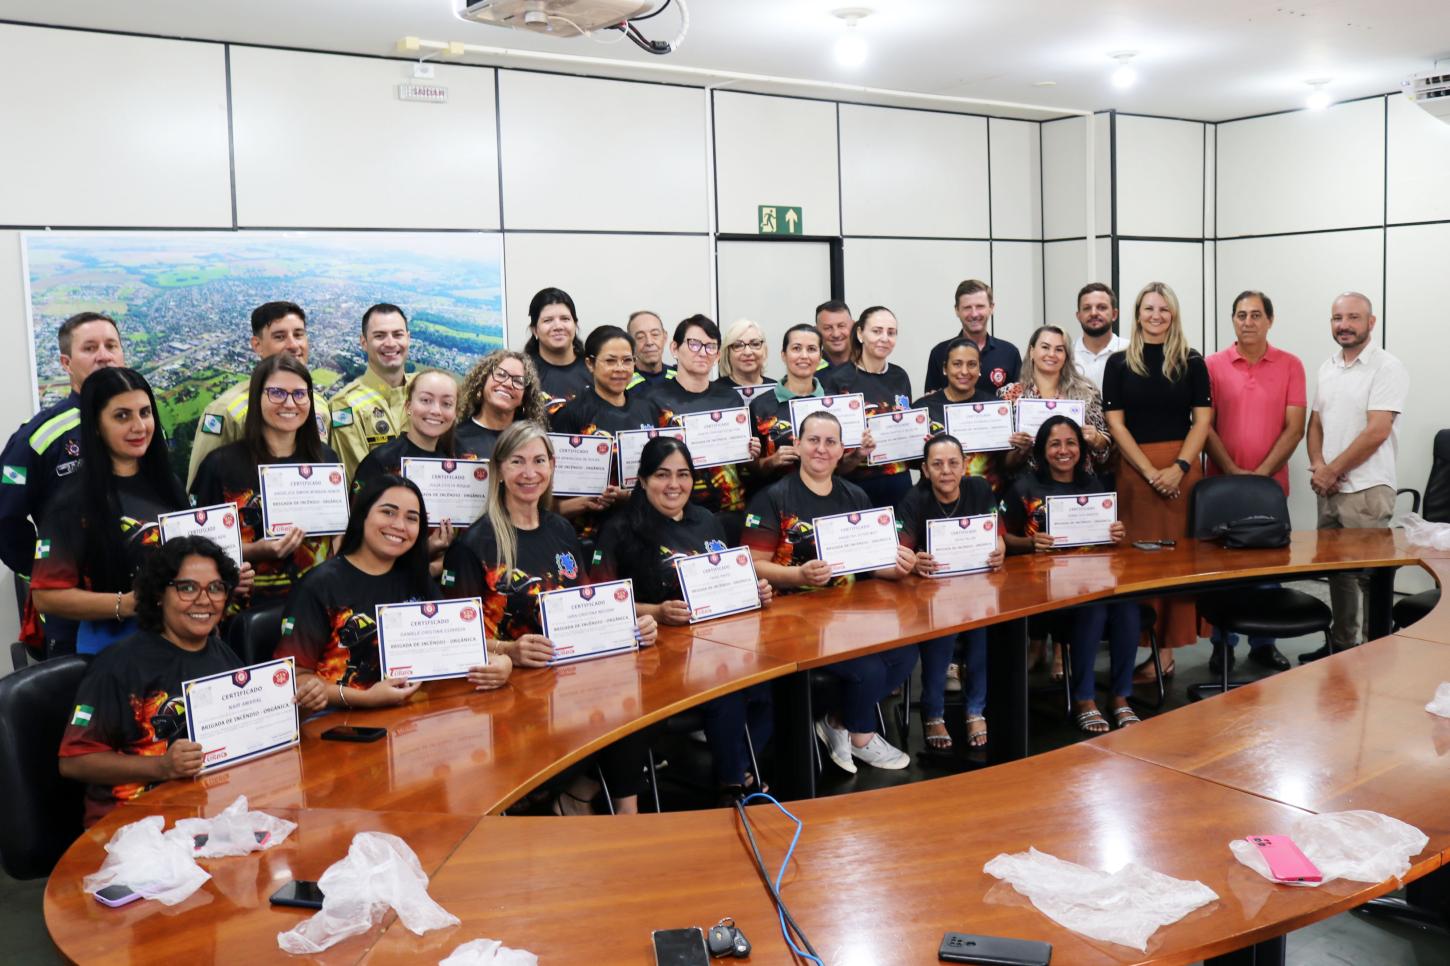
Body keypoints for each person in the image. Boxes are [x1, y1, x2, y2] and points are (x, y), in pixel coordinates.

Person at [442, 422, 658, 814]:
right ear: (499, 470)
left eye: (539, 461)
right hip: (512, 690)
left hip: (566, 676)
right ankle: (577, 797)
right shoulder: (474, 544)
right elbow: (456, 641)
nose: (529, 473)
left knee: (633, 698)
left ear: (552, 466)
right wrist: (511, 650)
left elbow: (587, 606)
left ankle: (618, 813)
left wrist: (632, 625)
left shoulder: (561, 530)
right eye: (517, 462)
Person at [58, 536, 327, 827]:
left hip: (210, 811)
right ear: (159, 594)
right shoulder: (118, 665)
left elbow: (247, 735)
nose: (204, 599)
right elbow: (73, 762)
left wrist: (301, 709)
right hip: (134, 825)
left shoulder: (221, 652)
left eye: (216, 588)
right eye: (187, 588)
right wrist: (162, 766)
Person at [592, 436, 775, 796]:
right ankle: (732, 782)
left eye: (683, 474)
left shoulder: (706, 520)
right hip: (652, 654)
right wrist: (657, 613)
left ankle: (738, 764)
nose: (673, 484)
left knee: (766, 685)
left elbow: (726, 580)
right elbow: (600, 604)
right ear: (643, 480)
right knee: (726, 690)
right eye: (662, 475)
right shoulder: (619, 529)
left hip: (712, 643)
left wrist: (754, 591)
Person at [743, 411, 917, 772]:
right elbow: (753, 565)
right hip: (792, 619)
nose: (821, 449)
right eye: (813, 440)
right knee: (869, 669)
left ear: (841, 450)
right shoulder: (772, 498)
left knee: (905, 653)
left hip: (849, 614)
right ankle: (861, 734)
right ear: (797, 445)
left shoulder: (855, 495)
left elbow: (873, 563)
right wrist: (797, 574)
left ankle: (838, 721)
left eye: (830, 442)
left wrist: (900, 566)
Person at [278, 474, 511, 707]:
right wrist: (365, 699)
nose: (399, 526)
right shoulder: (319, 585)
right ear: (363, 515)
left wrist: (500, 662)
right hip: (342, 719)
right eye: (388, 512)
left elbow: (454, 646)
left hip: (414, 712)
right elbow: (295, 678)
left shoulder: (417, 577)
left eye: (411, 518)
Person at [31, 368, 200, 655]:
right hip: (115, 651)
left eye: (145, 413)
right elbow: (46, 597)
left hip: (182, 638)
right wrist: (126, 603)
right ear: (96, 425)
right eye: (122, 416)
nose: (139, 426)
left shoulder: (167, 483)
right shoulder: (71, 502)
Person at [1102, 282, 1212, 677]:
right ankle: (1138, 648)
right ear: (1137, 314)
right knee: (1139, 564)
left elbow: (1202, 421)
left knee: (1176, 562)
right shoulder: (1118, 363)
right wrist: (1148, 471)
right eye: (1149, 308)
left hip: (1181, 470)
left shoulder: (1192, 361)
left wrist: (1179, 466)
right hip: (1135, 472)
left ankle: (1165, 654)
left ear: (1174, 314)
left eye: (1164, 309)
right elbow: (1115, 424)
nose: (1156, 315)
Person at [1001, 416, 1139, 733]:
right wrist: (1030, 543)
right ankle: (1084, 699)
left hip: (1093, 577)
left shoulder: (1093, 485)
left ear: (1081, 449)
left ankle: (1120, 697)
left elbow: (1104, 537)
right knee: (1093, 610)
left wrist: (1115, 533)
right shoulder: (1025, 487)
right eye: (1055, 444)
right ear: (1041, 450)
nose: (1064, 451)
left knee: (1128, 608)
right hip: (1044, 589)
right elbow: (1001, 535)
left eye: (1071, 443)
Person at [1, 311, 124, 657]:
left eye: (111, 345)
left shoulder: (142, 424)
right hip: (75, 612)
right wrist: (48, 571)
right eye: (90, 348)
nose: (104, 355)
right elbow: (4, 518)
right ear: (66, 363)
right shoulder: (40, 436)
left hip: (143, 602)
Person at [1203, 291, 1308, 673]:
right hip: (1220, 489)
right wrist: (1232, 472)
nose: (1248, 322)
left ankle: (1264, 643)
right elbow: (1204, 425)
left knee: (1267, 570)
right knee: (1222, 573)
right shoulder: (1212, 365)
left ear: (1270, 320)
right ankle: (1222, 644)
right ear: (1233, 320)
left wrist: (1260, 478)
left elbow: (1295, 428)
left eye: (1256, 315)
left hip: (1270, 491)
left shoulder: (1291, 365)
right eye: (1241, 315)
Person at [1304, 291, 1408, 662]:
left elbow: (1377, 430)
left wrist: (1332, 470)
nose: (1344, 325)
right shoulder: (1328, 366)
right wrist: (1318, 465)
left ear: (1371, 322)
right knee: (1337, 572)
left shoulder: (1387, 367)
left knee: (1368, 576)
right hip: (1329, 488)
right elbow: (1315, 423)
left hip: (1367, 489)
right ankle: (1343, 645)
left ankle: (1373, 653)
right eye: (1338, 318)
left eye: (1353, 318)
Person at [190, 354, 338, 607]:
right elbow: (197, 546)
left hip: (316, 607)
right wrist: (254, 551)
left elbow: (337, 536)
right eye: (277, 393)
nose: (290, 403)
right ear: (256, 398)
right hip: (241, 608)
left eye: (300, 394)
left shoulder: (326, 459)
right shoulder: (221, 465)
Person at [894, 434, 1003, 751]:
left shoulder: (979, 488)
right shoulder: (914, 498)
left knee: (983, 629)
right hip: (931, 589)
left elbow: (998, 536)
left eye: (953, 463)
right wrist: (915, 562)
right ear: (925, 470)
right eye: (937, 464)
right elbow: (901, 552)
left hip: (976, 584)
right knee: (942, 633)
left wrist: (999, 550)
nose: (946, 471)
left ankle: (975, 709)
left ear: (965, 465)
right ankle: (933, 712)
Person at [640, 315, 761, 541]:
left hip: (731, 510)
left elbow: (748, 467)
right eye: (694, 344)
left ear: (717, 355)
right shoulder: (653, 400)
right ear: (674, 349)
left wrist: (752, 452)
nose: (702, 352)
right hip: (676, 513)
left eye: (710, 346)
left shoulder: (730, 399)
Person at [186, 301, 331, 489]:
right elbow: (203, 484)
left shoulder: (318, 403)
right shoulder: (225, 410)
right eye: (280, 337)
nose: (293, 345)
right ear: (257, 345)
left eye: (298, 334)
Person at [550, 325, 660, 535]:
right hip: (589, 533)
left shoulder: (648, 409)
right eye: (610, 361)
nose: (620, 368)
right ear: (590, 364)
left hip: (642, 528)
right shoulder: (572, 414)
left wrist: (629, 495)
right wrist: (586, 501)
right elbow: (553, 498)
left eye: (627, 360)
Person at [821, 305, 916, 507]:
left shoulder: (900, 376)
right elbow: (831, 448)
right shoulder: (839, 379)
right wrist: (857, 453)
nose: (884, 338)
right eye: (877, 331)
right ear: (860, 334)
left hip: (899, 481)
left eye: (891, 332)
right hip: (856, 484)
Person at [1000, 324, 1113, 477]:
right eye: (1045, 347)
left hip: (1078, 484)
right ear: (1032, 351)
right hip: (1028, 484)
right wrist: (1020, 450)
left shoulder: (1086, 393)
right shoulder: (1010, 395)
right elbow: (1002, 463)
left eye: (1059, 349)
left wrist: (1097, 440)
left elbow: (1105, 456)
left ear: (1066, 356)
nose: (1051, 354)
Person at [912, 338, 1008, 494]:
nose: (964, 371)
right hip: (935, 499)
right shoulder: (923, 409)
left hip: (987, 497)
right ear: (945, 368)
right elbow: (912, 463)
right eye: (957, 364)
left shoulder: (996, 408)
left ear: (979, 368)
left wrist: (1021, 450)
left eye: (972, 364)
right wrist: (927, 451)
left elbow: (1006, 462)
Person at [331, 303, 415, 478]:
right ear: (364, 342)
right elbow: (359, 479)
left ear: (408, 338)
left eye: (398, 334)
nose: (390, 343)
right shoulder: (345, 405)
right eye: (379, 336)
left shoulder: (427, 391)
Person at [750, 324, 827, 493]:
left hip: (826, 496)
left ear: (820, 356)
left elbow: (843, 466)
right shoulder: (760, 406)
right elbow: (750, 470)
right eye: (796, 348)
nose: (804, 356)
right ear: (783, 355)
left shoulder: (833, 402)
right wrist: (772, 461)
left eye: (812, 349)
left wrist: (859, 453)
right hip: (776, 498)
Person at [923, 280, 1021, 394]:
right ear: (957, 310)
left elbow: (1019, 398)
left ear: (991, 308)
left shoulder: (1009, 353)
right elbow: (931, 401)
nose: (974, 314)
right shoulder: (939, 353)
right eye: (967, 307)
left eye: (980, 306)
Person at [455, 349, 549, 460]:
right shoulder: (456, 437)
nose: (508, 384)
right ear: (482, 381)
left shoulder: (533, 440)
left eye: (518, 381)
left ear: (525, 396)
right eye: (501, 375)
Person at [523, 287, 590, 415]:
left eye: (565, 319)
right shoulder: (523, 373)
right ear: (534, 330)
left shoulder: (593, 368)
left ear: (575, 325)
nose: (558, 326)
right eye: (548, 320)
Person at [1072, 283, 1128, 391]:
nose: (1093, 313)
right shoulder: (1065, 355)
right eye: (1087, 308)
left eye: (1102, 307)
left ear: (1114, 314)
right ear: (1078, 316)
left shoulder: (1131, 351)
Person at [715, 318, 777, 402]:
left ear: (764, 350)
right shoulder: (714, 394)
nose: (747, 352)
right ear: (727, 353)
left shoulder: (777, 391)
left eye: (755, 344)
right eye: (738, 345)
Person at [624, 310, 675, 390]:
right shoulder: (622, 384)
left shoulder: (680, 378)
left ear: (664, 337)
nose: (649, 342)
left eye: (655, 334)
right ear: (630, 342)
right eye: (640, 337)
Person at [814, 299, 855, 372]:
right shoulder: (809, 370)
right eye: (828, 328)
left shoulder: (869, 365)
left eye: (841, 326)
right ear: (816, 331)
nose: (836, 334)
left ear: (853, 326)